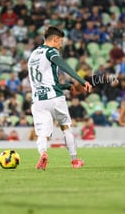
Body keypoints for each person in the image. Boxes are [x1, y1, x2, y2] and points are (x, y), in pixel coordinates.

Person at [28, 26, 93, 170]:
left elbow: (46, 81)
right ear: (55, 39)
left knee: (42, 134)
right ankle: (75, 161)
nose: (61, 44)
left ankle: (43, 153)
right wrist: (82, 81)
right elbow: (64, 66)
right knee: (65, 128)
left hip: (38, 100)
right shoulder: (51, 51)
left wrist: (67, 86)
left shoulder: (33, 54)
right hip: (55, 98)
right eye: (60, 41)